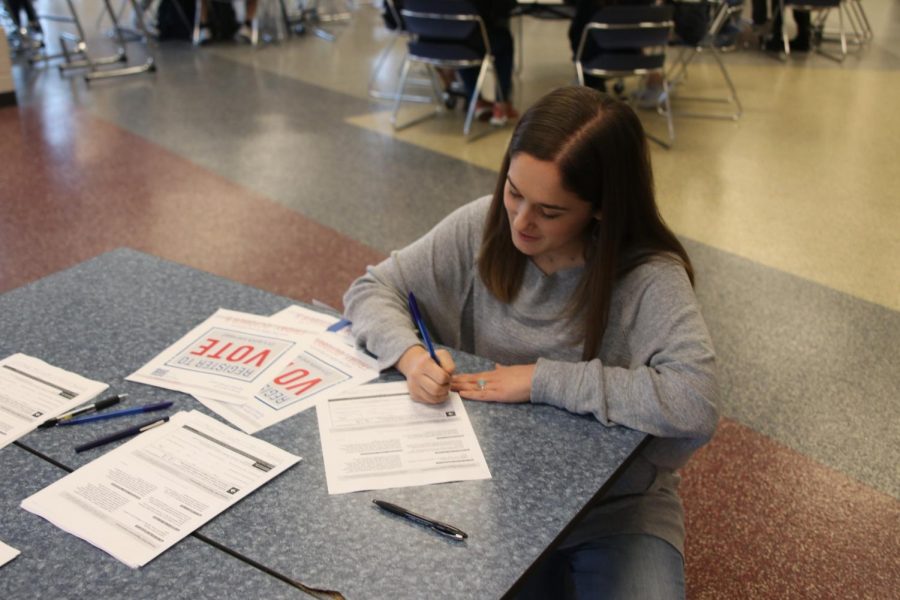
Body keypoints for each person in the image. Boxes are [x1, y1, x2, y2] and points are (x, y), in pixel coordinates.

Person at [342, 86, 719, 597]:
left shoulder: (648, 274)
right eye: (514, 191)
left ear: (602, 209)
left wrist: (541, 380)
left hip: (616, 506)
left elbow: (694, 400)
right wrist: (410, 357)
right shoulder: (483, 226)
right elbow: (372, 289)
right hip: (495, 490)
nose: (521, 222)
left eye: (551, 210)